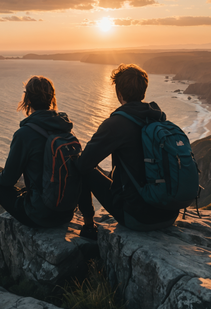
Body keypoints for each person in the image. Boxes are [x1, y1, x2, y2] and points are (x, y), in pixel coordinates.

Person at [0, 75, 77, 257]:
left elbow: (7, 181)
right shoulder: (65, 128)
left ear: (27, 99)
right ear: (52, 98)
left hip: (40, 214)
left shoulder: (25, 134)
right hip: (66, 211)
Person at [77, 63, 180, 235]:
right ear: (143, 91)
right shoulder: (158, 119)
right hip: (169, 213)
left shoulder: (115, 124)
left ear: (118, 92)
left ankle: (89, 226)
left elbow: (83, 164)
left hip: (137, 217)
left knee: (82, 167)